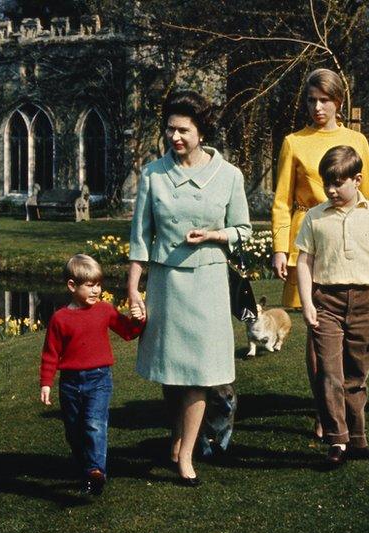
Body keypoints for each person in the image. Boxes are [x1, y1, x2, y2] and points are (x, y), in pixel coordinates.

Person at [127, 90, 251, 486]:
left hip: (209, 282)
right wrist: (133, 290)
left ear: (201, 132)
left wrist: (216, 235)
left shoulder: (229, 175)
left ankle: (186, 454)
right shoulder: (153, 174)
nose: (174, 136)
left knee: (199, 372)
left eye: (183, 130)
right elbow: (139, 239)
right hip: (166, 283)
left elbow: (243, 231)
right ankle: (178, 438)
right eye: (169, 129)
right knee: (171, 371)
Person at [295, 145, 369, 465]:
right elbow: (303, 262)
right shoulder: (315, 217)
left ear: (357, 180)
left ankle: (357, 440)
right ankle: (336, 441)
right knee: (329, 372)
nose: (330, 190)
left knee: (356, 375)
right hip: (326, 302)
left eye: (338, 183)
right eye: (327, 182)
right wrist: (306, 302)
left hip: (365, 302)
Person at [271, 68, 369, 310]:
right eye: (312, 100)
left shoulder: (357, 141)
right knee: (313, 321)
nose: (317, 107)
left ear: (338, 101)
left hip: (350, 238)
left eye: (324, 100)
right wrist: (280, 249)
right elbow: (281, 202)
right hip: (309, 238)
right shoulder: (293, 142)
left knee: (352, 314)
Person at [38, 254, 145, 496]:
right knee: (74, 430)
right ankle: (86, 467)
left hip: (99, 380)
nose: (96, 290)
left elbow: (128, 332)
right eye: (90, 285)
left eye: (98, 284)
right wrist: (46, 383)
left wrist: (139, 320)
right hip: (70, 384)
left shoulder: (105, 310)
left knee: (95, 424)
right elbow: (50, 354)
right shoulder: (60, 319)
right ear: (72, 286)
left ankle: (96, 472)